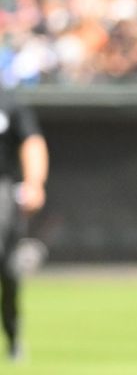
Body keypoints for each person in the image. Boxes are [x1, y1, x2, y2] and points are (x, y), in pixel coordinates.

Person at [0, 86, 48, 362]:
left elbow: (32, 142)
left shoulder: (8, 101)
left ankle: (13, 337)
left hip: (3, 189)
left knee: (8, 270)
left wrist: (35, 183)